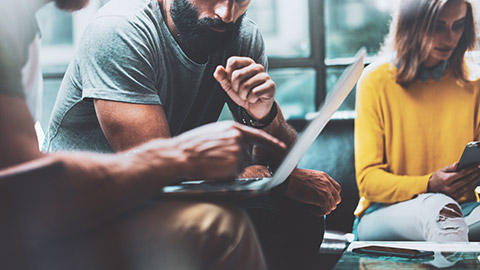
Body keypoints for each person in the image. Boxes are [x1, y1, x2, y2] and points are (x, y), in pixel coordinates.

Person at [42, 0, 342, 268]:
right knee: (239, 218)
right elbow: (154, 169)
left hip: (168, 191)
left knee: (298, 212)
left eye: (240, 0)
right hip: (88, 204)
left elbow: (283, 160)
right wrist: (272, 183)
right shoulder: (120, 29)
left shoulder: (241, 35)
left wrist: (263, 115)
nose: (226, 13)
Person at [354, 0, 480, 242]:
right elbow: (369, 182)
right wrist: (430, 184)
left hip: (462, 211)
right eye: (438, 26)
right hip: (383, 213)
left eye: (458, 25)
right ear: (412, 25)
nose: (450, 37)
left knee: (447, 217)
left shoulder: (474, 84)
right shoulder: (375, 81)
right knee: (440, 211)